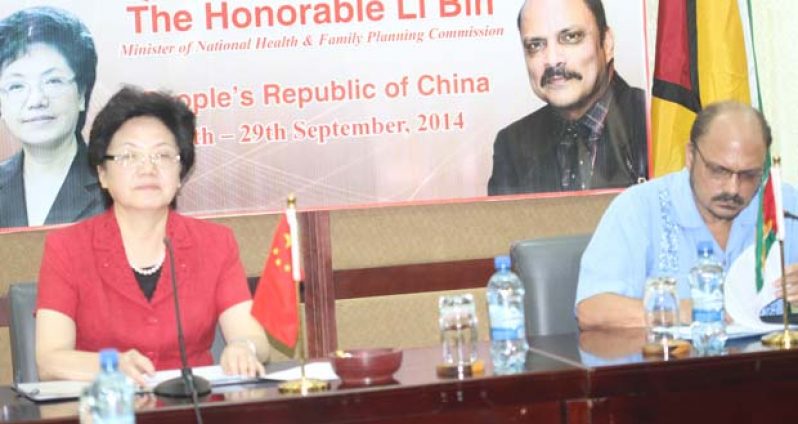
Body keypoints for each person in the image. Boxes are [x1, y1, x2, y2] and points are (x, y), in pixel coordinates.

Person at [35, 86, 269, 385]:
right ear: (103, 174)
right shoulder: (67, 248)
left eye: (162, 155)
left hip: (193, 409)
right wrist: (109, 364)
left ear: (180, 172)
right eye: (129, 156)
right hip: (106, 409)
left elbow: (253, 337)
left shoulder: (216, 243)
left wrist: (243, 348)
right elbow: (49, 359)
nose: (148, 168)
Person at [575, 101, 798, 329]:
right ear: (690, 156)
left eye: (749, 175)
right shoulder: (639, 208)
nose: (733, 189)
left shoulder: (784, 204)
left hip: (770, 363)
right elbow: (593, 310)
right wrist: (683, 311)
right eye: (719, 171)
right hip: (675, 362)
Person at [488, 0, 647, 196]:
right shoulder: (512, 145)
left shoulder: (654, 122)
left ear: (606, 44)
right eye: (535, 45)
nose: (553, 60)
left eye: (571, 37)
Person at [0, 6, 104, 228]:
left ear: (81, 94)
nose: (36, 100)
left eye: (53, 81)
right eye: (16, 86)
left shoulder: (117, 186)